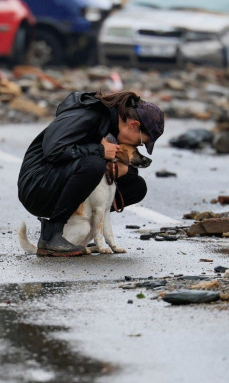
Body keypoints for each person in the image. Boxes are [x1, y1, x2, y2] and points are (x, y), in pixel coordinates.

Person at [17, 90, 165, 257]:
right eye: (140, 142)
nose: (138, 146)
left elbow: (121, 162)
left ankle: (77, 232)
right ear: (133, 125)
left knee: (136, 186)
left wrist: (121, 169)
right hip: (38, 184)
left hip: (62, 178)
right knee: (94, 165)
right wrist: (100, 150)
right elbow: (53, 150)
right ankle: (52, 235)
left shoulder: (112, 128)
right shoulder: (88, 114)